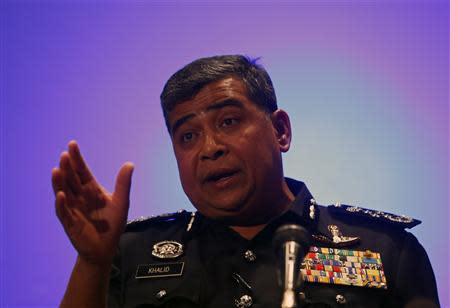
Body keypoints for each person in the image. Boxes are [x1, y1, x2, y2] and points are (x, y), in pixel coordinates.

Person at [52, 55, 440, 307]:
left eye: (229, 122)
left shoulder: (388, 252)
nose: (210, 148)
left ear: (280, 131)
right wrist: (91, 262)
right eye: (187, 136)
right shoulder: (131, 253)